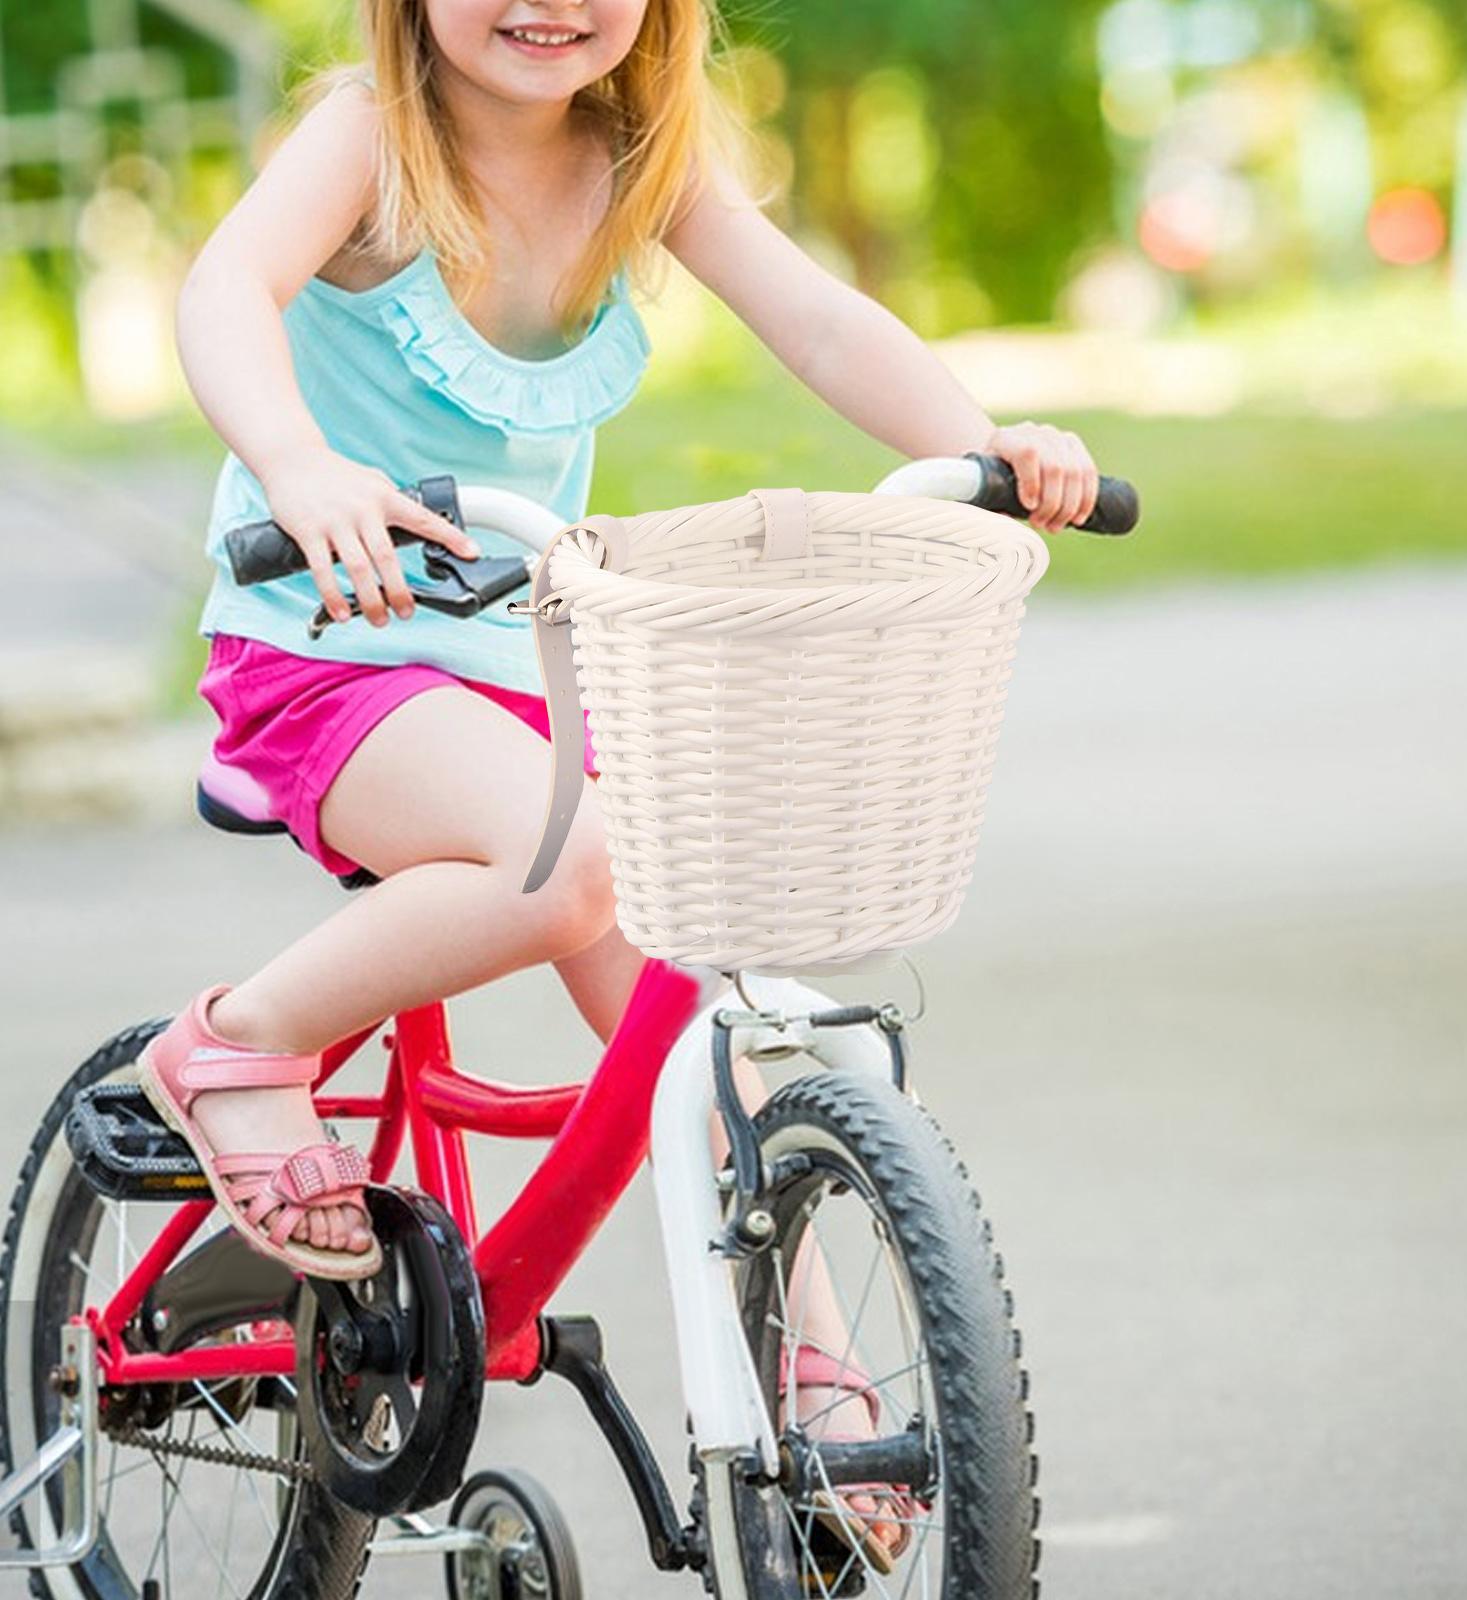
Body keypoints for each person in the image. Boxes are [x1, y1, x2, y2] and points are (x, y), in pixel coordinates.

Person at [149, 0, 1099, 1562]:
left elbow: (819, 323)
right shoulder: (372, 137)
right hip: (326, 651)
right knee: (583, 864)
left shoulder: (641, 158)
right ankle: (237, 1048)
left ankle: (813, 1347)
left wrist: (985, 446)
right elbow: (224, 289)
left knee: (687, 981)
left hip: (531, 667)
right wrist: (302, 463)